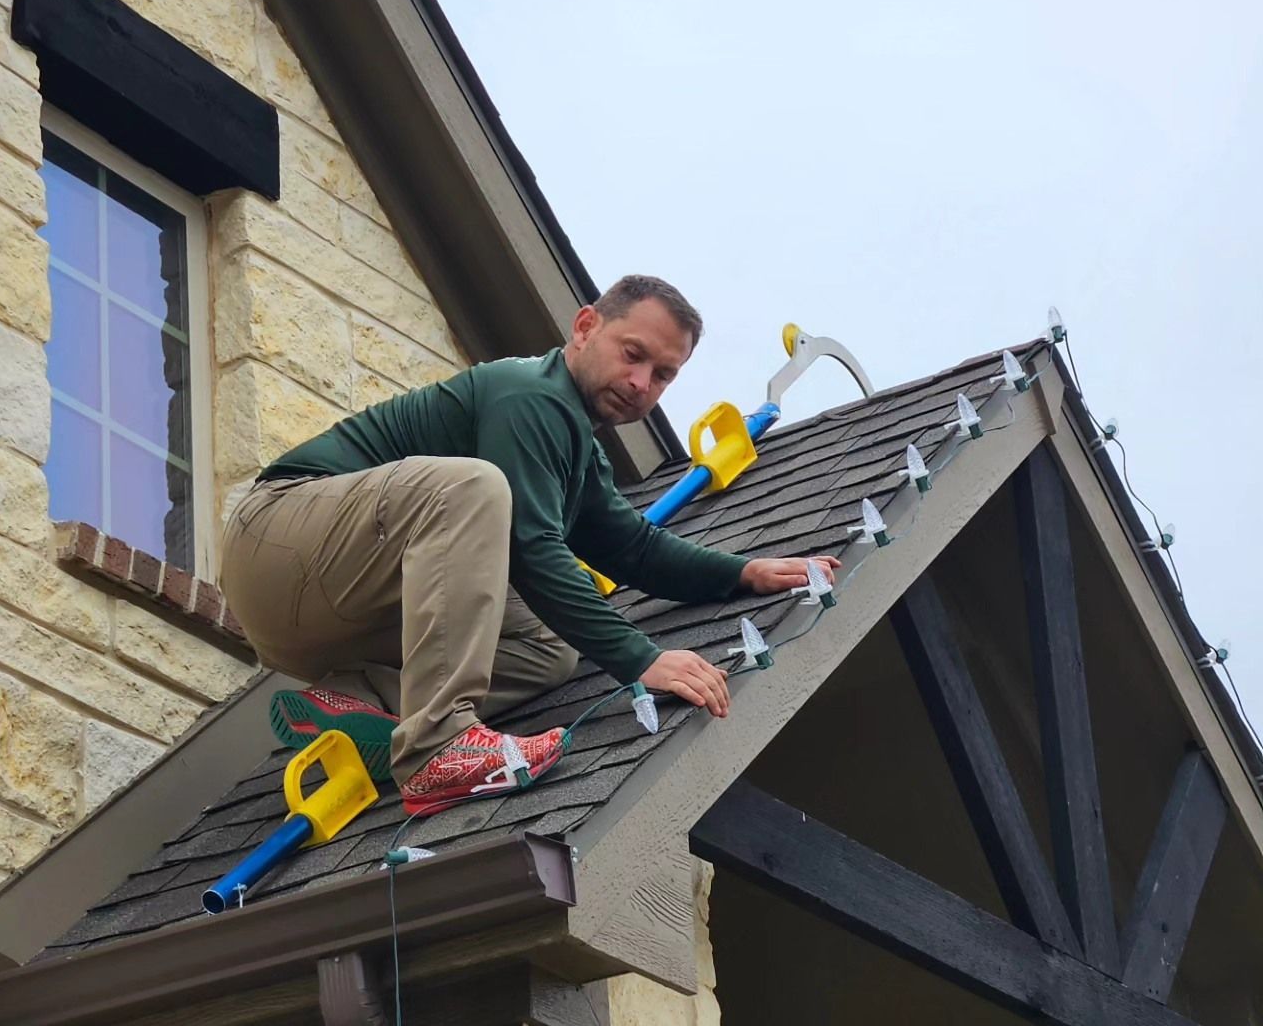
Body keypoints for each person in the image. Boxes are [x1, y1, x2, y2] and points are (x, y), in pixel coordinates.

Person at [220, 275, 838, 816]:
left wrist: (744, 572)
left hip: (336, 606)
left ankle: (357, 702)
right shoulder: (529, 395)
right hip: (276, 540)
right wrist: (640, 659)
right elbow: (533, 548)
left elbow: (632, 548)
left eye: (663, 375)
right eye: (633, 354)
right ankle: (439, 746)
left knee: (550, 647)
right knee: (475, 488)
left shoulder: (574, 444)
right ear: (585, 327)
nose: (642, 382)